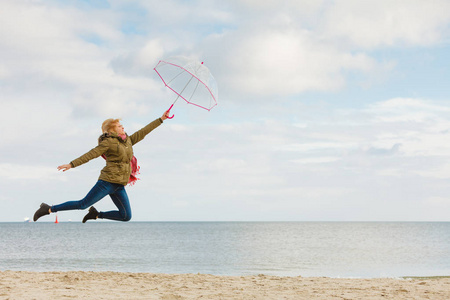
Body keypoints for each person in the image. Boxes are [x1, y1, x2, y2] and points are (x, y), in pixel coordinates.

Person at [33, 110, 170, 223]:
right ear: (111, 130)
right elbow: (92, 154)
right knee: (83, 204)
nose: (123, 127)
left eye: (122, 125)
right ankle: (49, 208)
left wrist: (161, 119)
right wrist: (71, 164)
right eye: (119, 126)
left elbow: (144, 131)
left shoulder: (127, 141)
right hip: (107, 182)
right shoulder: (108, 142)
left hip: (119, 185)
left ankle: (96, 214)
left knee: (126, 216)